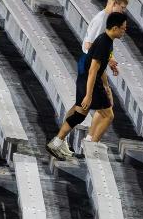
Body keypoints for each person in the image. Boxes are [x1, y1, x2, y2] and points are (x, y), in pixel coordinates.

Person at [48, 12, 129, 159]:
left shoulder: (106, 40)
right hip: (90, 81)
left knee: (79, 114)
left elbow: (100, 67)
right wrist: (89, 95)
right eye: (123, 28)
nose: (125, 31)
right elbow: (93, 70)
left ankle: (57, 142)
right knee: (108, 115)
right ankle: (92, 148)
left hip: (88, 79)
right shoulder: (104, 43)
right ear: (115, 28)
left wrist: (106, 86)